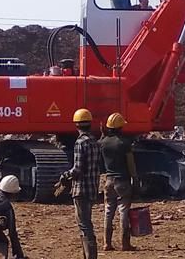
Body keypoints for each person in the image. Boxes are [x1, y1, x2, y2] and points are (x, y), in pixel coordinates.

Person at [62, 108, 102, 259]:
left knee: (84, 225)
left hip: (81, 189)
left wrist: (65, 175)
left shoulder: (80, 143)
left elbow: (78, 169)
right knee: (87, 223)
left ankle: (90, 255)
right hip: (92, 188)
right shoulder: (95, 142)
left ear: (76, 125)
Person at [99, 112, 138, 251]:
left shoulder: (103, 143)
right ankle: (125, 244)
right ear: (121, 127)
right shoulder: (124, 143)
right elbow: (131, 163)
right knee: (123, 211)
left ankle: (106, 243)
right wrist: (135, 177)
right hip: (122, 181)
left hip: (108, 181)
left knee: (108, 211)